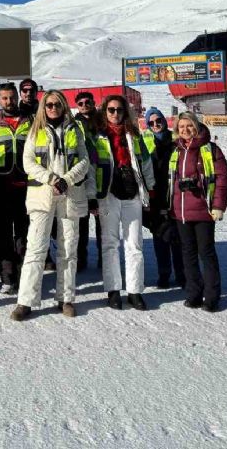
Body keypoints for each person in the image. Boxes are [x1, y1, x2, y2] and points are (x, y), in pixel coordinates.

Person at [10, 90, 92, 321]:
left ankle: (65, 298)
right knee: (36, 248)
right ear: (43, 107)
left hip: (70, 194)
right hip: (42, 195)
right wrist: (52, 179)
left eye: (57, 104)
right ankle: (25, 301)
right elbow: (27, 162)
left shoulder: (75, 130)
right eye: (49, 105)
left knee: (68, 249)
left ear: (64, 106)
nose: (53, 108)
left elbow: (85, 161)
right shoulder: (35, 131)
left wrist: (66, 180)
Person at [91, 94, 155, 310]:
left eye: (119, 110)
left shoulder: (134, 135)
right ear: (105, 112)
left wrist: (150, 190)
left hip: (132, 193)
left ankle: (135, 291)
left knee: (134, 243)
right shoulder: (97, 136)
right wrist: (93, 195)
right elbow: (91, 167)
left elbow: (145, 163)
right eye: (111, 110)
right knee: (109, 243)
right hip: (107, 194)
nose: (115, 114)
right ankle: (113, 289)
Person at [169, 111, 227, 312]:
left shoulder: (210, 149)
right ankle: (194, 293)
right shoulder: (176, 150)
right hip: (181, 212)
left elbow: (222, 179)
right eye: (181, 127)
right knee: (188, 254)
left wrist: (219, 205)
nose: (185, 130)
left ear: (196, 126)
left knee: (206, 252)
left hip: (204, 210)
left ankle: (212, 297)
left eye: (189, 126)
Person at [0, 82, 33, 293]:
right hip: (1, 187)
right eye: (4, 98)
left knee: (24, 234)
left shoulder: (31, 120)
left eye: (12, 97)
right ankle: (7, 277)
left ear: (17, 97)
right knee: (3, 234)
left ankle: (23, 274)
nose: (9, 101)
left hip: (25, 186)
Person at [141, 107, 185, 289]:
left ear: (164, 121)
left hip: (175, 193)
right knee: (160, 236)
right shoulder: (143, 140)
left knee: (179, 238)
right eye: (151, 122)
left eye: (158, 120)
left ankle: (182, 275)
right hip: (154, 194)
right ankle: (164, 274)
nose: (156, 125)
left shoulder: (176, 140)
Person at [73, 91, 102, 271]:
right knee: (81, 221)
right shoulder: (73, 123)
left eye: (87, 102)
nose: (84, 105)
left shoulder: (102, 122)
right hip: (82, 176)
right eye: (81, 103)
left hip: (101, 175)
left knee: (102, 221)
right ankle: (80, 258)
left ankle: (103, 256)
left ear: (93, 103)